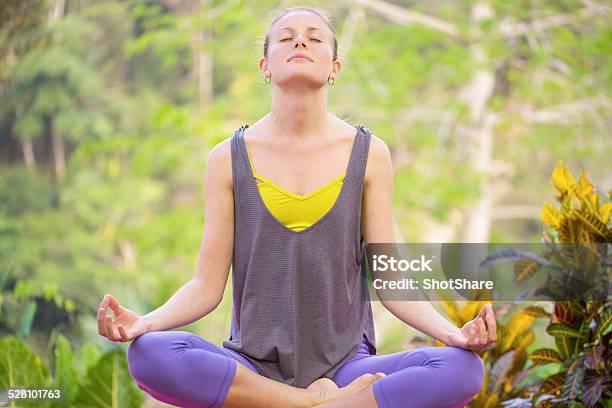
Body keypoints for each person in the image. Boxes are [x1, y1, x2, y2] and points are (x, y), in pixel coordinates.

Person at [97, 6, 496, 408]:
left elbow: (390, 280)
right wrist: (145, 323)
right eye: (286, 38)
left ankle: (304, 402)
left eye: (314, 37)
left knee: (463, 370)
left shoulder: (370, 154)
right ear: (265, 65)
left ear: (334, 67)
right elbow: (206, 286)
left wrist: (453, 334)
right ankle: (314, 403)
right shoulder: (227, 158)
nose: (300, 41)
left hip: (346, 367)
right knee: (149, 355)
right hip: (252, 365)